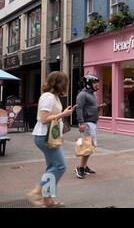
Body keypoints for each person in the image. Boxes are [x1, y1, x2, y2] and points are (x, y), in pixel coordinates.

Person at [27, 71, 74, 208]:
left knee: (52, 167)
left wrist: (60, 135)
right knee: (60, 166)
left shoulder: (54, 97)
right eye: (65, 82)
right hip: (44, 136)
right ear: (58, 83)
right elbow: (43, 119)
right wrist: (63, 114)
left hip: (49, 137)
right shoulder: (48, 97)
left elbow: (53, 119)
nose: (66, 85)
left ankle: (47, 200)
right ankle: (35, 192)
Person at [75, 74, 105, 179]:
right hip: (87, 124)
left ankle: (84, 166)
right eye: (95, 83)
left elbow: (89, 107)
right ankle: (80, 168)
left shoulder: (91, 94)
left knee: (90, 146)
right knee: (88, 146)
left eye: (97, 83)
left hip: (91, 123)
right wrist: (81, 123)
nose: (97, 85)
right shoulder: (82, 95)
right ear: (88, 84)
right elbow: (78, 108)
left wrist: (98, 107)